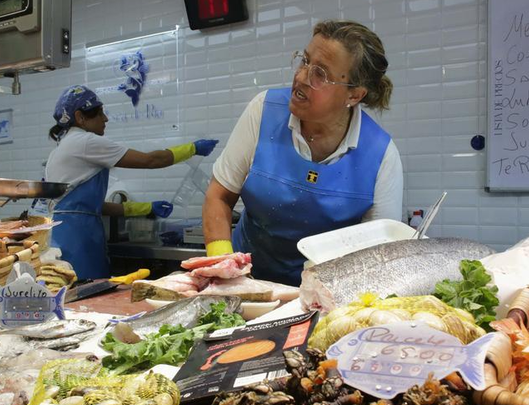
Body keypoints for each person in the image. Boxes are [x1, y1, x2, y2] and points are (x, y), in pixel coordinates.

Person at [204, 20, 402, 286]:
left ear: (354, 95)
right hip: (247, 283)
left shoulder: (381, 154)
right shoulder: (263, 111)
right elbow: (219, 196)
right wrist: (225, 270)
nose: (301, 77)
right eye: (305, 61)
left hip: (328, 293)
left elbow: (381, 254)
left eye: (320, 73)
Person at [46, 85, 218, 280]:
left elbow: (94, 206)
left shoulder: (62, 148)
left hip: (66, 235)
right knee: (86, 292)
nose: (105, 119)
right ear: (80, 117)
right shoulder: (85, 142)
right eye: (100, 113)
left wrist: (146, 208)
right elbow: (151, 160)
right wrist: (192, 149)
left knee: (74, 292)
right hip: (78, 239)